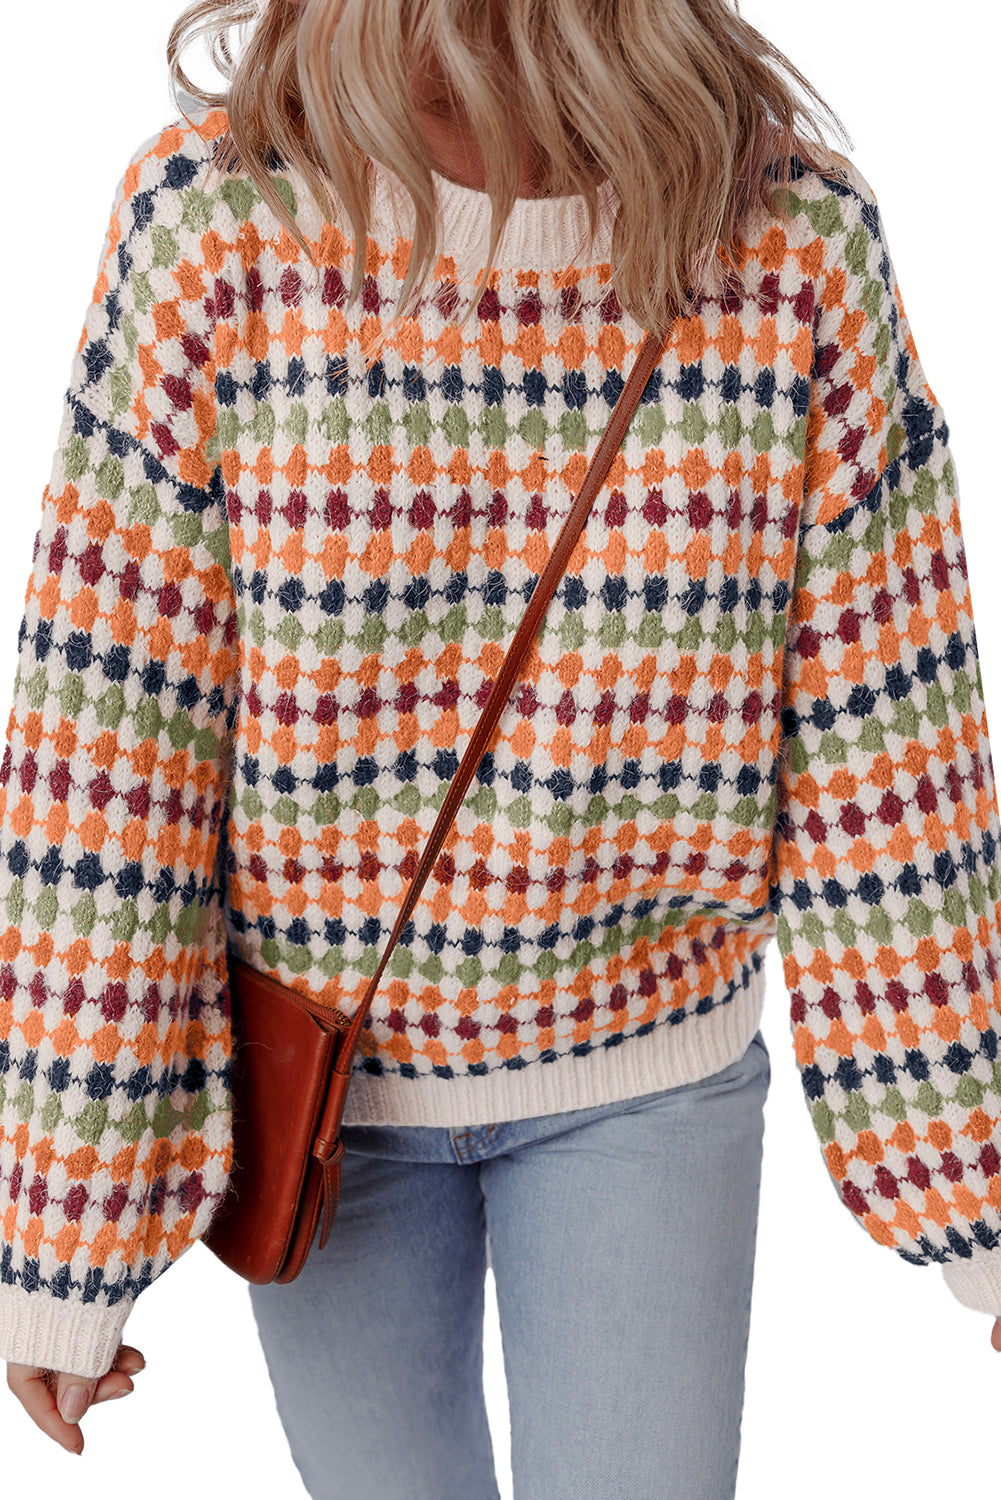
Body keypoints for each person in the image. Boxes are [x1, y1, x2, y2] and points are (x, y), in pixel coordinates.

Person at [2, 0, 1000, 1494]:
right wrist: (62, 1234)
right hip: (326, 1091)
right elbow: (110, 744)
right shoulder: (218, 219)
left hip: (647, 1062)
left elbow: (892, 748)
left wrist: (979, 1200)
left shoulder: (791, 239)